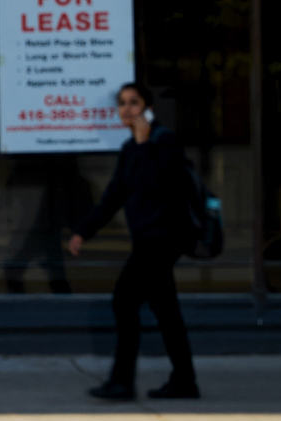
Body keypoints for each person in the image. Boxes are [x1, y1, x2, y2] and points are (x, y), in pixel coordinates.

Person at [66, 80, 200, 401]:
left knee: (124, 301)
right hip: (147, 239)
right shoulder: (130, 149)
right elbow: (114, 196)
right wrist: (84, 230)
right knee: (166, 311)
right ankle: (185, 381)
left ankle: (122, 382)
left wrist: (143, 146)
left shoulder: (164, 143)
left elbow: (157, 186)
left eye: (134, 103)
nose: (127, 109)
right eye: (122, 103)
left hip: (163, 239)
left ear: (149, 110)